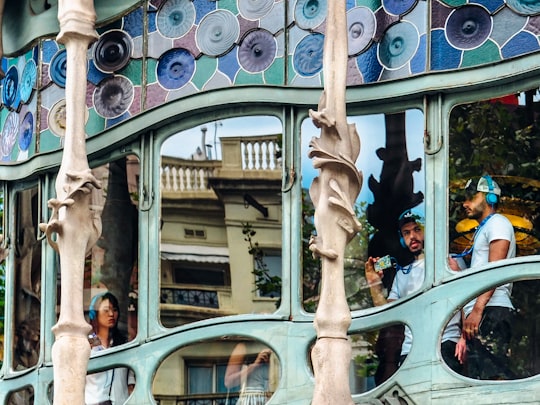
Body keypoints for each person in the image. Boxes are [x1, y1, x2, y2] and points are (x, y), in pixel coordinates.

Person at [366, 209, 463, 380]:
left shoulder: (450, 261)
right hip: (410, 350)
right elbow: (387, 315)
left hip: (445, 343)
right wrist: (374, 283)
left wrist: (464, 340)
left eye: (417, 229)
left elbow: (465, 301)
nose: (412, 236)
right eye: (406, 232)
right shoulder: (402, 274)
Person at [449, 175, 516, 380]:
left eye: (471, 196)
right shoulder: (485, 228)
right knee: (480, 382)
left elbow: (495, 271)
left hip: (491, 311)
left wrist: (478, 310)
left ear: (490, 198)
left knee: (492, 380)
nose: (465, 203)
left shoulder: (498, 223)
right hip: (481, 313)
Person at [85, 292, 135, 405]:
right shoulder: (88, 345)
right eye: (106, 310)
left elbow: (131, 382)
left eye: (115, 310)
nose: (111, 314)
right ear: (94, 314)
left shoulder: (123, 345)